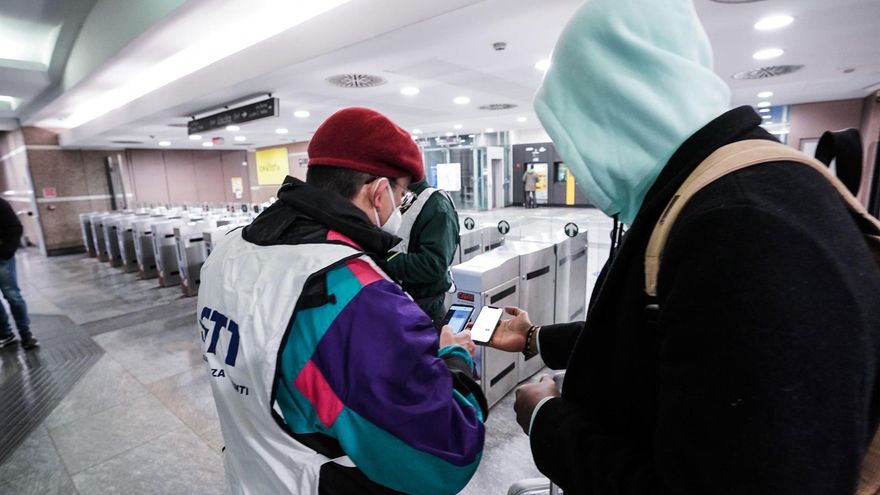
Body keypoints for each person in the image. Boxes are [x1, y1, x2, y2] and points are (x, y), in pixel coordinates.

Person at [488, 0, 880, 493]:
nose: (573, 158)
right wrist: (535, 339)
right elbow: (668, 331)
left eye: (574, 132)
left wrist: (550, 422)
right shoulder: (715, 194)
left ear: (617, 108)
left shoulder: (744, 226)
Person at [198, 107, 487, 495]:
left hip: (249, 474)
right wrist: (454, 359)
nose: (400, 207)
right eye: (401, 195)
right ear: (378, 192)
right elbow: (447, 455)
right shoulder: (353, 292)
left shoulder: (229, 250)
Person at [380, 178, 459, 329]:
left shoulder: (437, 204)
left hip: (425, 312)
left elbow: (434, 265)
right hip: (399, 305)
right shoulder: (401, 197)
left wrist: (383, 260)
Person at [0, 198, 38, 349]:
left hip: (1, 259)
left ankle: (26, 333)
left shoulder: (0, 204)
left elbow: (15, 227)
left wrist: (6, 252)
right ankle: (5, 334)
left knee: (12, 295)